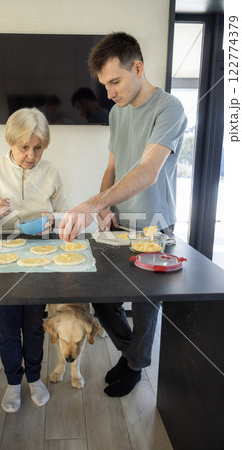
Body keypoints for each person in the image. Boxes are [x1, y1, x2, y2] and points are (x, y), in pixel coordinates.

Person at [59, 32, 187, 397]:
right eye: (104, 84)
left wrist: (92, 204)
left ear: (138, 68)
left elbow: (148, 171)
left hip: (155, 226)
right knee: (102, 296)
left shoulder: (169, 109)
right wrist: (105, 204)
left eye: (114, 81)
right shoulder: (116, 113)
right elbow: (112, 168)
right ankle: (132, 354)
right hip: (117, 224)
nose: (109, 92)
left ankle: (134, 365)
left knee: (146, 304)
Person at [0, 107, 68, 412]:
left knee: (34, 327)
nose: (31, 155)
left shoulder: (51, 173)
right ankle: (13, 382)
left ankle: (34, 378)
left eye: (38, 148)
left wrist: (54, 220)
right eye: (24, 147)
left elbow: (67, 218)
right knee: (7, 328)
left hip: (38, 262)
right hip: (1, 262)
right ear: (11, 142)